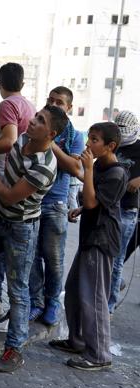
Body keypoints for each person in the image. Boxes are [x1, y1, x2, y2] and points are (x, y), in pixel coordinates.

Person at [0, 105, 68, 373]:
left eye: (40, 120)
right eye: (36, 115)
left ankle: (14, 349)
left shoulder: (45, 166)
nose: (32, 121)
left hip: (21, 229)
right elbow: (5, 173)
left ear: (51, 133)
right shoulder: (23, 139)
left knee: (17, 290)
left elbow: (9, 194)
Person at [50, 122, 128, 371]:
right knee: (74, 290)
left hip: (101, 240)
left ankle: (99, 354)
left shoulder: (115, 172)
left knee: (93, 298)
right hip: (90, 237)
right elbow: (93, 202)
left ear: (110, 146)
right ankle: (78, 340)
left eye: (94, 140)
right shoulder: (100, 166)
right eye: (89, 139)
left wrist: (87, 172)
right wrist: (80, 207)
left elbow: (95, 202)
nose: (88, 145)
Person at [0, 62, 36, 321]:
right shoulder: (28, 105)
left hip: (4, 180)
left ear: (0, 85)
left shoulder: (8, 105)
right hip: (18, 181)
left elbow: (9, 140)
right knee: (5, 257)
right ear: (22, 84)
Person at [28, 87, 85, 326]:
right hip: (30, 200)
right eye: (50, 100)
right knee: (30, 257)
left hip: (56, 203)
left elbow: (75, 168)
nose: (54, 104)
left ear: (69, 107)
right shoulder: (36, 125)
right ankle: (36, 302)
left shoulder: (76, 135)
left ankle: (52, 302)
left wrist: (50, 142)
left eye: (59, 102)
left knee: (53, 258)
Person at [108, 111, 140, 313]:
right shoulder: (114, 144)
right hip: (109, 206)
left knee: (117, 259)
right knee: (105, 258)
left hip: (127, 209)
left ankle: (109, 305)